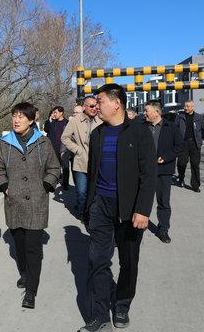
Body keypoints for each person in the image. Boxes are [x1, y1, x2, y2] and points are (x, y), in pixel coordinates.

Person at [79, 84, 156, 332]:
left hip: (129, 207)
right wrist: (89, 205)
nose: (95, 106)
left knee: (128, 260)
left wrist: (143, 210)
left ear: (116, 103)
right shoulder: (97, 134)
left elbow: (149, 175)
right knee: (98, 261)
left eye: (99, 101)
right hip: (101, 205)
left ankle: (121, 305)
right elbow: (92, 174)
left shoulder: (139, 133)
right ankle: (100, 315)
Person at [0, 102, 60, 309]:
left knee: (33, 248)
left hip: (37, 202)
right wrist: (5, 187)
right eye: (14, 116)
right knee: (19, 245)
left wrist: (46, 185)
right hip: (14, 202)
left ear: (31, 121)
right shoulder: (5, 143)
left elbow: (54, 168)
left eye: (21, 116)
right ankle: (24, 272)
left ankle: (31, 290)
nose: (16, 120)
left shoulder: (43, 143)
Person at [143, 100, 183, 244]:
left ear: (157, 112)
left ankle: (163, 229)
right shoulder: (143, 127)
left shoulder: (171, 128)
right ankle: (141, 225)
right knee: (143, 200)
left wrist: (165, 158)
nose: (144, 113)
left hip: (163, 171)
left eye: (147, 110)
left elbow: (179, 147)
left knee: (163, 202)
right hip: (145, 171)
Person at [61, 96, 102, 218]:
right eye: (91, 106)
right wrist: (77, 149)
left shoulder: (101, 120)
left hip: (97, 163)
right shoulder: (75, 121)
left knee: (95, 191)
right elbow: (64, 137)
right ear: (84, 107)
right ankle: (83, 213)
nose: (94, 108)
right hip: (80, 162)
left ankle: (93, 213)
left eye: (96, 106)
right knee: (81, 192)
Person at [175, 100, 204, 192]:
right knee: (182, 163)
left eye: (187, 106)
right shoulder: (180, 117)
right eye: (185, 106)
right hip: (183, 143)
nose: (185, 108)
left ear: (193, 107)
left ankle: (195, 185)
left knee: (195, 164)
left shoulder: (199, 117)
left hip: (195, 144)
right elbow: (174, 129)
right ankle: (181, 178)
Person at [45, 106, 69, 189]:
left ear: (61, 113)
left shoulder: (67, 123)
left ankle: (65, 184)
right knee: (55, 166)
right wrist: (49, 120)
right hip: (53, 147)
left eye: (55, 112)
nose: (54, 114)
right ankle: (55, 181)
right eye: (53, 112)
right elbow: (47, 131)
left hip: (64, 147)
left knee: (65, 166)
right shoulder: (52, 123)